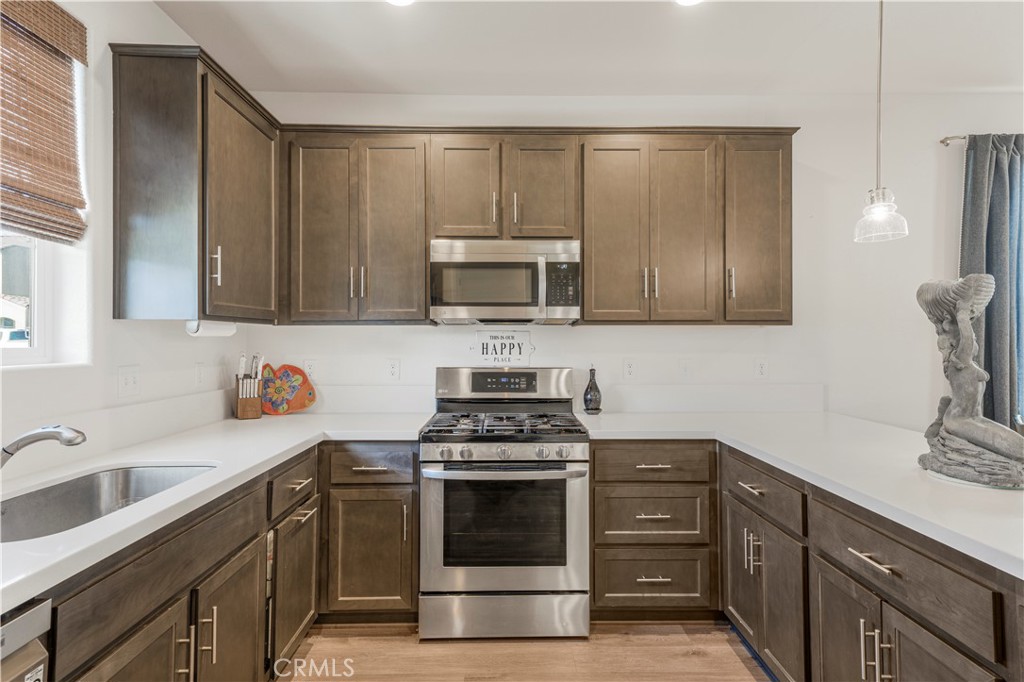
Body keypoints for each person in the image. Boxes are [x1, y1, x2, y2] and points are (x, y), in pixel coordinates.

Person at [917, 274, 1023, 464]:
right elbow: (966, 340)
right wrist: (962, 315)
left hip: (974, 418)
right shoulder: (959, 361)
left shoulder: (965, 364)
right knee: (1016, 450)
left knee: (1019, 444)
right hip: (959, 422)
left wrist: (964, 315)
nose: (972, 340)